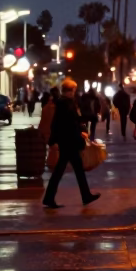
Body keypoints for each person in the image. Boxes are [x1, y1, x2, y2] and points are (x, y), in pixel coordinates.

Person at [42, 79, 99, 210]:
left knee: (74, 170)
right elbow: (68, 123)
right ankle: (50, 198)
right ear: (69, 91)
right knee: (62, 171)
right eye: (73, 90)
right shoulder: (65, 104)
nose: (74, 92)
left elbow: (65, 122)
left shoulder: (65, 103)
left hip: (67, 141)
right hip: (69, 141)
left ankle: (84, 195)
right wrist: (80, 132)